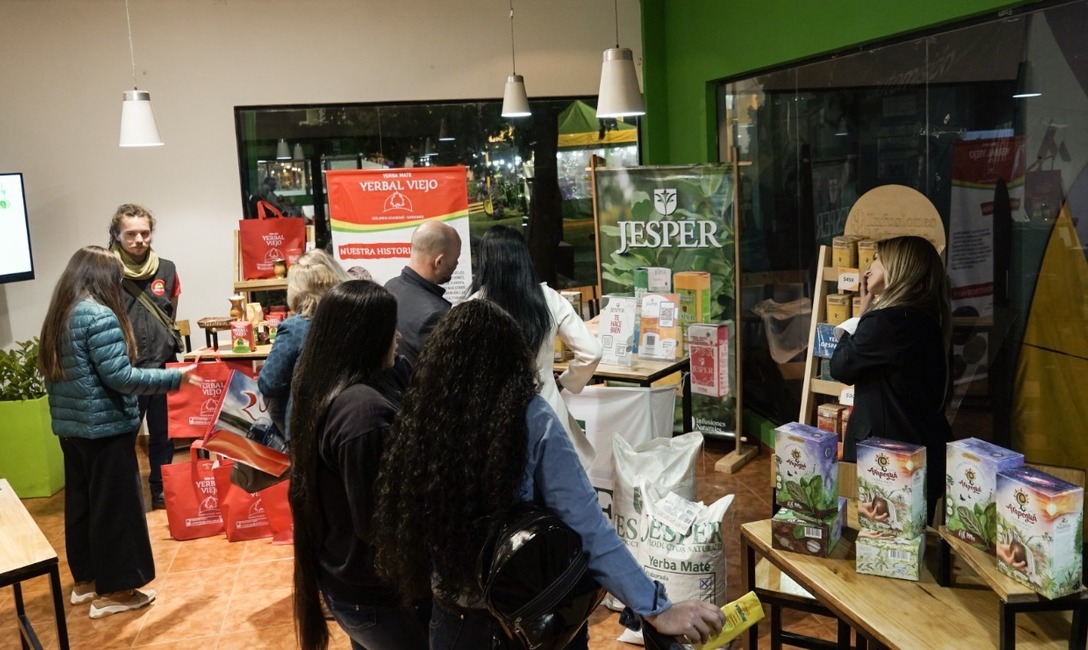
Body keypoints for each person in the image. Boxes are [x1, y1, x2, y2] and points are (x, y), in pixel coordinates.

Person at [372, 300, 724, 649]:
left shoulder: (423, 418)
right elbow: (588, 526)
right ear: (512, 357)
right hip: (529, 622)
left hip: (453, 622)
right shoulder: (528, 417)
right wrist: (655, 607)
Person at [38, 246, 198, 619]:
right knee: (116, 511)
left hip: (72, 430)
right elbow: (122, 378)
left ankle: (87, 582)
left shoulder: (60, 315)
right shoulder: (99, 316)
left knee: (83, 506)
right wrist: (175, 379)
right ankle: (116, 592)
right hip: (105, 429)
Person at [288, 280, 427, 650]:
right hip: (376, 595)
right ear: (367, 336)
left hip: (349, 583)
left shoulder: (328, 389)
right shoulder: (363, 412)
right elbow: (378, 523)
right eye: (389, 328)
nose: (397, 336)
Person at [829, 235, 952, 522]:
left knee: (879, 544)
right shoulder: (928, 318)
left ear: (900, 270)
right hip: (923, 449)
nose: (868, 269)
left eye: (877, 261)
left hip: (885, 460)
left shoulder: (885, 323)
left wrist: (861, 314)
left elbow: (840, 367)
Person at [469, 225, 602, 469]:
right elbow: (592, 352)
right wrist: (566, 382)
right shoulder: (548, 297)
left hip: (493, 419)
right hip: (547, 408)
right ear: (524, 257)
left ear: (484, 261)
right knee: (558, 491)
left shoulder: (471, 306)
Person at [107, 203, 181, 511]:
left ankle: (161, 490)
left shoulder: (167, 268)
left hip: (162, 365)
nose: (139, 240)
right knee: (125, 435)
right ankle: (126, 494)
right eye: (131, 234)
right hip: (127, 370)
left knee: (164, 435)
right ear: (117, 235)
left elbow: (171, 310)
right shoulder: (106, 270)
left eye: (145, 233)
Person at [258, 249, 348, 439]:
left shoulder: (295, 327)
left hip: (306, 431)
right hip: (350, 422)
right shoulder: (353, 319)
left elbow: (269, 383)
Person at [384, 220, 462, 365]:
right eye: (455, 261)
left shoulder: (389, 287)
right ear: (439, 262)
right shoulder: (435, 314)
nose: (456, 265)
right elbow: (447, 374)